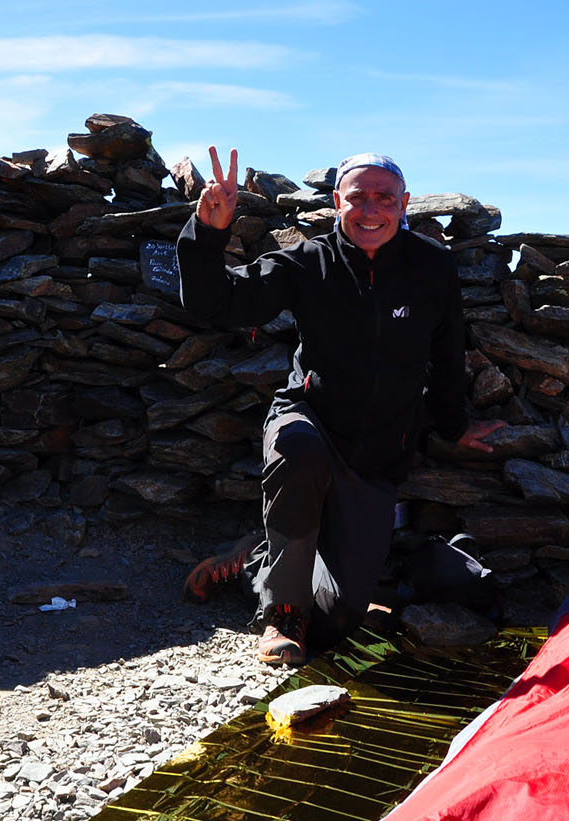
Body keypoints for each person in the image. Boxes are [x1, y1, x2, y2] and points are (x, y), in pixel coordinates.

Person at [177, 147, 502, 666]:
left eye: (384, 199)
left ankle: (250, 564)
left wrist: (453, 425)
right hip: (310, 417)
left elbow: (446, 350)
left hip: (379, 450)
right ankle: (281, 614)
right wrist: (207, 234)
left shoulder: (431, 267)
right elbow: (215, 303)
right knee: (297, 449)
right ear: (336, 202)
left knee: (338, 616)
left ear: (404, 204)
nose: (370, 210)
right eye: (358, 198)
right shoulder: (307, 262)